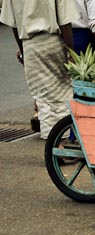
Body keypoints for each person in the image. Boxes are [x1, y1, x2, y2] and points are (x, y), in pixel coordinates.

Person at [2, 0, 75, 139]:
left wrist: (23, 50)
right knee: (61, 95)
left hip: (30, 45)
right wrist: (71, 52)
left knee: (43, 99)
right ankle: (61, 143)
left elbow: (14, 25)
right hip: (53, 42)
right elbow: (65, 21)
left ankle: (54, 143)